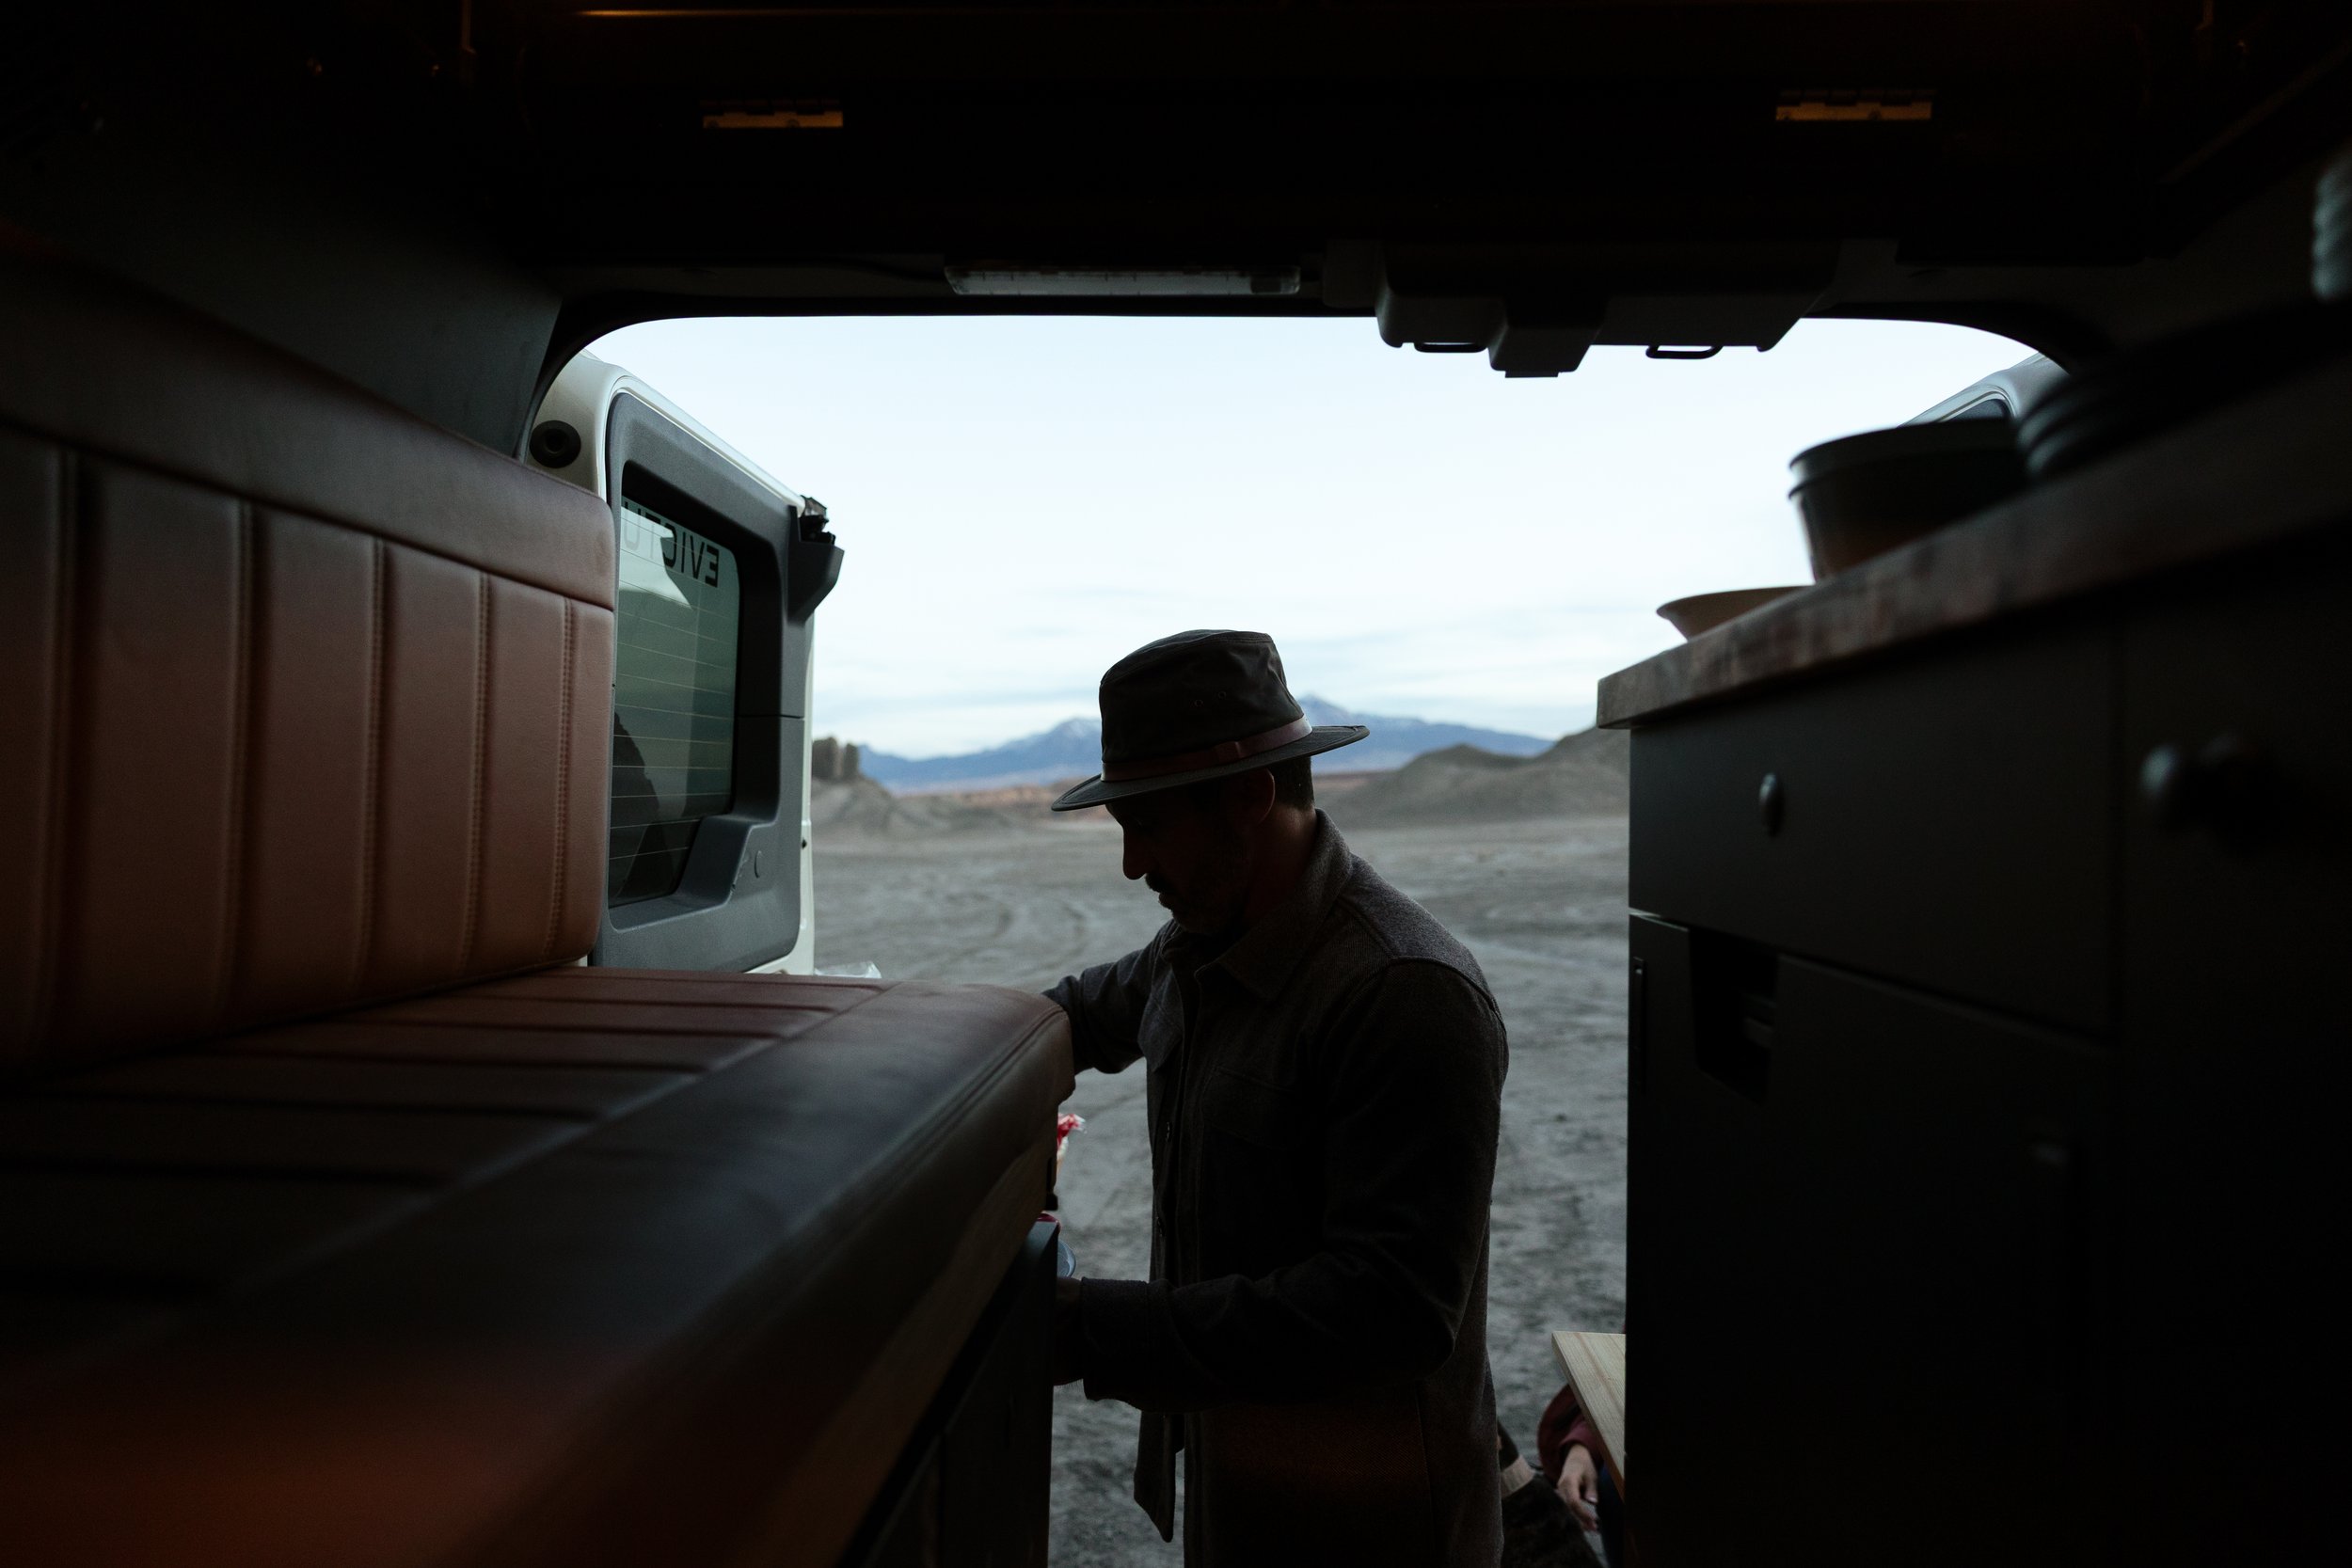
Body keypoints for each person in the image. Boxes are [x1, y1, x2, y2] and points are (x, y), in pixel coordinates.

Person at [1044, 629, 1509, 1567]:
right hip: (1244, 1464)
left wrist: (1085, 1325)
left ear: (1253, 795)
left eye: (1149, 822)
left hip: (1370, 1517)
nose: (1133, 864)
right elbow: (1071, 1016)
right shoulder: (1197, 943)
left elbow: (1390, 1310)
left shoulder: (1401, 989)